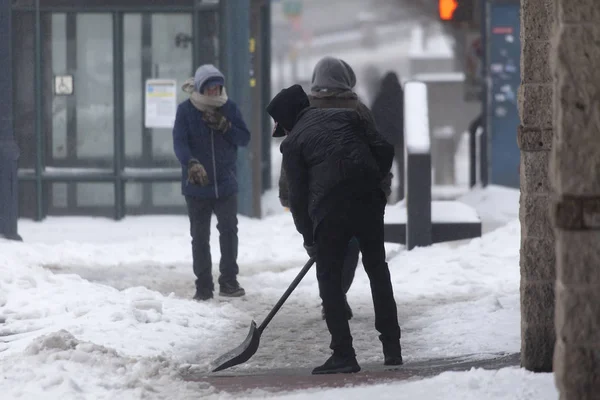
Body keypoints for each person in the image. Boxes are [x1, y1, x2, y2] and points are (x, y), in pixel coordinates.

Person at [267, 84, 403, 375]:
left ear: (287, 120)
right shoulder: (348, 117)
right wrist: (372, 180)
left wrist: (308, 238)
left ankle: (343, 353)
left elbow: (299, 198)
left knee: (329, 279)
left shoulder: (292, 144)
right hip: (368, 199)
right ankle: (392, 348)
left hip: (331, 210)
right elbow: (384, 148)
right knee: (377, 270)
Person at [278, 56, 390, 321]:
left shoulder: (305, 109)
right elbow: (377, 152)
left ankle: (332, 300)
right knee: (351, 250)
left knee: (324, 251)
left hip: (318, 197)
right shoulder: (358, 109)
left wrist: (288, 193)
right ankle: (339, 295)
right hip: (357, 195)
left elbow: (291, 158)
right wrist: (382, 188)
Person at [173, 64, 251, 301]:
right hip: (197, 186)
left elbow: (244, 137)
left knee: (229, 231)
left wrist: (225, 126)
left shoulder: (229, 108)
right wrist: (191, 163)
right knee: (199, 236)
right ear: (200, 88)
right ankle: (203, 286)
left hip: (226, 183)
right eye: (209, 88)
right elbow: (180, 143)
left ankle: (229, 281)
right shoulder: (186, 111)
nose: (214, 93)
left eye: (217, 88)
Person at [371, 71, 405, 201]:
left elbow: (372, 119)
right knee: (403, 173)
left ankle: (384, 197)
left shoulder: (380, 98)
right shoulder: (402, 97)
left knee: (384, 173)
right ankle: (402, 197)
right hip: (400, 141)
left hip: (385, 142)